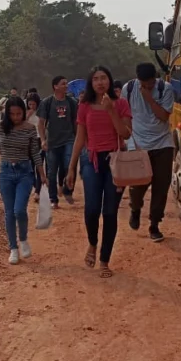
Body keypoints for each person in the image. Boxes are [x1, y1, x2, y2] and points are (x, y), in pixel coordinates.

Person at [67, 66, 133, 278]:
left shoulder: (121, 103)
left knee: (110, 212)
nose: (100, 82)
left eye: (103, 78)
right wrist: (71, 167)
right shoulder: (84, 106)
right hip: (91, 161)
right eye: (95, 79)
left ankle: (104, 260)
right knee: (92, 209)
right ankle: (93, 244)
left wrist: (111, 110)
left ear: (109, 80)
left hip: (116, 162)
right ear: (91, 83)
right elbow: (79, 138)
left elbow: (125, 134)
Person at [122, 62, 175, 242]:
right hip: (138, 143)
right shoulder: (128, 89)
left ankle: (154, 224)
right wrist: (128, 142)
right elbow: (126, 117)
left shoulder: (165, 89)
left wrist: (149, 99)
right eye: (143, 84)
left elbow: (164, 116)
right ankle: (135, 209)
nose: (146, 87)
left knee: (161, 186)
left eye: (149, 84)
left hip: (162, 144)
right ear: (137, 79)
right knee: (137, 186)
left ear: (155, 78)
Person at [0, 96, 47, 265]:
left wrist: (42, 175)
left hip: (25, 173)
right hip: (6, 173)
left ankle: (23, 239)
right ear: (7, 114)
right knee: (9, 213)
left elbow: (35, 153)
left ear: (23, 112)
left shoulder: (29, 128)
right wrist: (3, 153)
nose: (16, 117)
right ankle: (13, 248)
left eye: (19, 113)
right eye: (12, 114)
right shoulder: (0, 127)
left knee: (19, 210)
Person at [37, 75, 78, 209]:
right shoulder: (47, 102)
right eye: (63, 84)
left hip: (69, 140)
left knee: (69, 166)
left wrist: (79, 138)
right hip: (52, 142)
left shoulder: (72, 102)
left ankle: (68, 191)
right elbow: (41, 123)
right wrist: (43, 140)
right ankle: (53, 198)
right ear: (55, 86)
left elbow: (76, 122)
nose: (66, 86)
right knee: (52, 172)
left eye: (66, 83)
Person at [25, 93, 44, 202]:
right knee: (30, 166)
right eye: (30, 104)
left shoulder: (41, 112)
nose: (32, 106)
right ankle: (34, 184)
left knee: (38, 166)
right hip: (29, 140)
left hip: (38, 139)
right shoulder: (25, 113)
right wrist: (28, 115)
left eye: (34, 104)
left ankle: (37, 191)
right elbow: (22, 124)